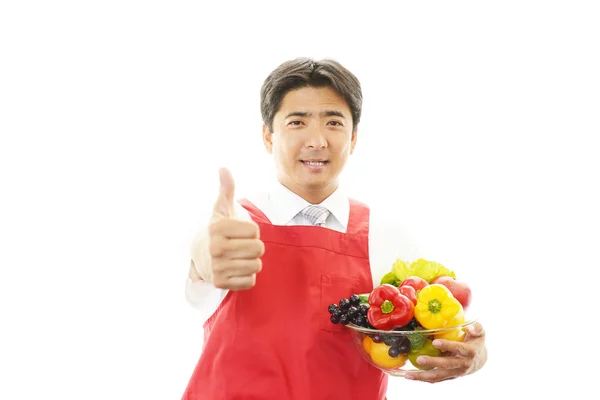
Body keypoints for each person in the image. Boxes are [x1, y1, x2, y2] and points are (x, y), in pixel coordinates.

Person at [181, 58, 487, 400]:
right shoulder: (233, 223)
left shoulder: (387, 236)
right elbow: (204, 255)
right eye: (297, 122)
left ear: (354, 137)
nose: (317, 140)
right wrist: (211, 256)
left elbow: (431, 329)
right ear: (268, 136)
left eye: (333, 122)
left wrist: (471, 354)